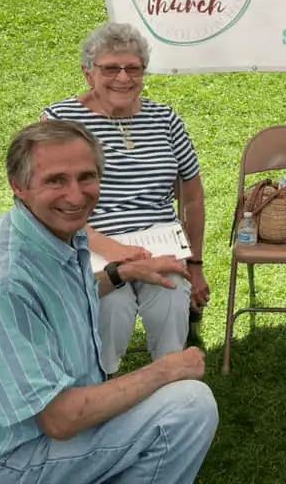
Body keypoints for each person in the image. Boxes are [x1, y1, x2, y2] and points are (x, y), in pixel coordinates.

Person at [0, 120, 218, 483]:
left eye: (86, 177)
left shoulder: (51, 230)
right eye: (56, 180)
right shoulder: (2, 286)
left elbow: (58, 297)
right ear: (18, 186)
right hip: (5, 459)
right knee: (190, 405)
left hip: (36, 434)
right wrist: (165, 369)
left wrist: (124, 273)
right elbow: (61, 418)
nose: (76, 195)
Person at [42, 22, 209, 374]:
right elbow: (50, 204)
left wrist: (194, 265)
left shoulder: (165, 119)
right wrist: (118, 254)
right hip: (92, 248)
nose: (123, 77)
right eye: (110, 68)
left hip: (160, 244)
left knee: (169, 293)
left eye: (133, 68)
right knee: (111, 307)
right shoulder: (62, 121)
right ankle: (101, 386)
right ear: (89, 73)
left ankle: (169, 383)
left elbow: (192, 196)